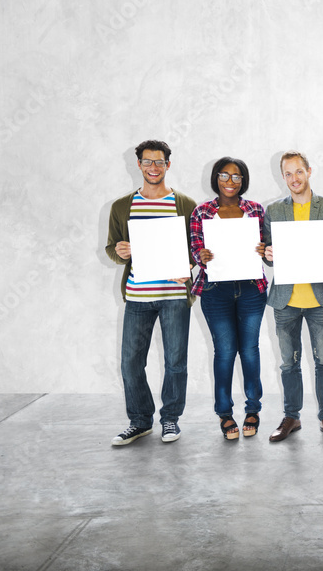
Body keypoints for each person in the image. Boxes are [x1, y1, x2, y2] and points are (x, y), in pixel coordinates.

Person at [105, 140, 196, 446]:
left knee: (175, 362)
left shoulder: (184, 204)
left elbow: (198, 248)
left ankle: (170, 420)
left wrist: (190, 265)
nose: (153, 168)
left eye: (159, 162)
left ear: (168, 165)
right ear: (139, 165)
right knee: (130, 363)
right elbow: (112, 247)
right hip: (138, 297)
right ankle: (140, 421)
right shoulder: (122, 207)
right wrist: (119, 250)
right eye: (147, 162)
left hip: (173, 297)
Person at [261, 150, 323, 444]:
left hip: (320, 298)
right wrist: (268, 255)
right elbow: (270, 257)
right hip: (285, 299)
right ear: (282, 176)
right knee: (288, 363)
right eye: (288, 173)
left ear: (309, 171)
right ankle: (291, 416)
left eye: (299, 171)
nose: (294, 178)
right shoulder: (273, 211)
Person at [189, 157, 268, 441]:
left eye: (237, 177)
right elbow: (196, 249)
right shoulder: (202, 212)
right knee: (224, 352)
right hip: (215, 291)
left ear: (243, 180)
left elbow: (269, 252)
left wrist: (263, 250)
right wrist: (202, 257)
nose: (230, 182)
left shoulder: (256, 210)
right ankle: (224, 412)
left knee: (249, 350)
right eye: (224, 176)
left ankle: (253, 409)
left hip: (251, 288)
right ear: (216, 178)